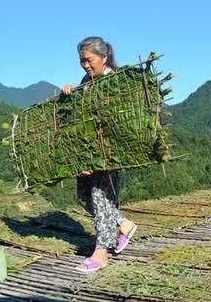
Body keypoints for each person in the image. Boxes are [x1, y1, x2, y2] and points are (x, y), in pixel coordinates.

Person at [62, 36, 138, 273]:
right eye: (81, 61)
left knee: (100, 197)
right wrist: (71, 93)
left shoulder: (113, 81)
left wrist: (96, 157)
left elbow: (111, 122)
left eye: (89, 60)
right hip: (87, 151)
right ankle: (123, 224)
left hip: (108, 153)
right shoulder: (87, 81)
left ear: (103, 58)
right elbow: (82, 116)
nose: (85, 65)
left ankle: (101, 252)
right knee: (84, 196)